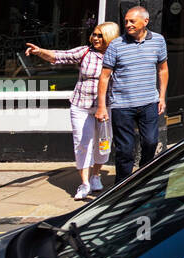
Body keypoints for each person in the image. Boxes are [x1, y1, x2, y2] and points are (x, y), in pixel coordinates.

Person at [26, 22, 118, 200]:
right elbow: (60, 56)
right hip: (81, 105)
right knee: (82, 143)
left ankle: (96, 175)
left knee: (103, 144)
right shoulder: (85, 52)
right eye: (94, 34)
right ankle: (84, 184)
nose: (95, 38)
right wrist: (40, 52)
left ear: (110, 37)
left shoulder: (116, 55)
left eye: (100, 35)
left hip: (105, 106)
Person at [95, 7, 167, 184]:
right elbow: (104, 77)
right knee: (125, 150)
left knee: (150, 142)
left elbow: (163, 70)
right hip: (122, 105)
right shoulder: (116, 45)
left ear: (145, 22)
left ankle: (143, 179)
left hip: (149, 101)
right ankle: (122, 185)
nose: (128, 25)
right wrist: (102, 106)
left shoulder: (158, 41)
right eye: (126, 21)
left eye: (132, 21)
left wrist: (162, 97)